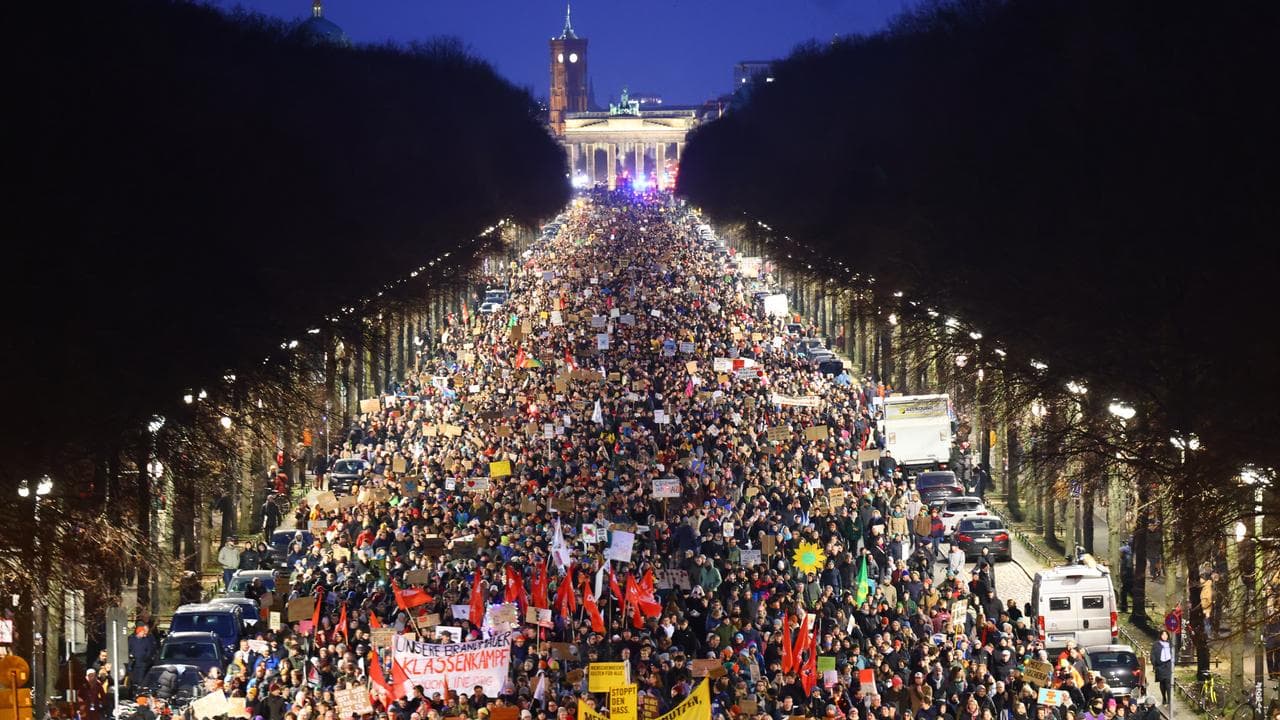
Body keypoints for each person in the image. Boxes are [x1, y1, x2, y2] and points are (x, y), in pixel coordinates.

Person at [1151, 630, 1174, 705]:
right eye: (1163, 635)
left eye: (1166, 635)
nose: (1165, 636)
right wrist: (1155, 664)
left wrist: (1174, 662)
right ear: (1160, 635)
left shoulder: (1170, 644)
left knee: (1168, 682)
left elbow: (1174, 653)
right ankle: (1164, 697)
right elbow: (1153, 655)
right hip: (1160, 665)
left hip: (1168, 665)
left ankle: (1170, 700)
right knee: (1162, 683)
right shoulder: (1156, 644)